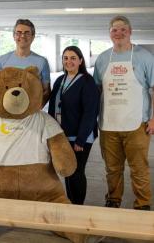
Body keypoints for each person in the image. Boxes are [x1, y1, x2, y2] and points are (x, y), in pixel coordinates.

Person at [94, 15, 154, 210]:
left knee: (139, 169)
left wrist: (153, 118)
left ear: (130, 32)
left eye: (122, 29)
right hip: (109, 124)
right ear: (109, 33)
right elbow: (96, 90)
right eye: (114, 30)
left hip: (137, 124)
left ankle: (143, 204)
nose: (118, 33)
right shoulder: (103, 59)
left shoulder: (144, 56)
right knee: (112, 169)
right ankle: (113, 200)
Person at [48, 46, 99, 205]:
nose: (68, 61)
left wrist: (80, 140)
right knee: (68, 171)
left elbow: (90, 112)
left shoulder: (86, 81)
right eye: (65, 58)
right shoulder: (59, 80)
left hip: (79, 137)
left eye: (73, 58)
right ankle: (71, 203)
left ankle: (78, 207)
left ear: (80, 61)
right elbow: (52, 108)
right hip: (62, 134)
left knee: (76, 172)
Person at [0, 19, 51, 105]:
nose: (22, 36)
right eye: (18, 33)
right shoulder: (2, 60)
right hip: (7, 112)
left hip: (31, 114)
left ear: (33, 37)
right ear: (14, 36)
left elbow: (46, 91)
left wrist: (36, 109)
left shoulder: (42, 62)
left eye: (27, 33)